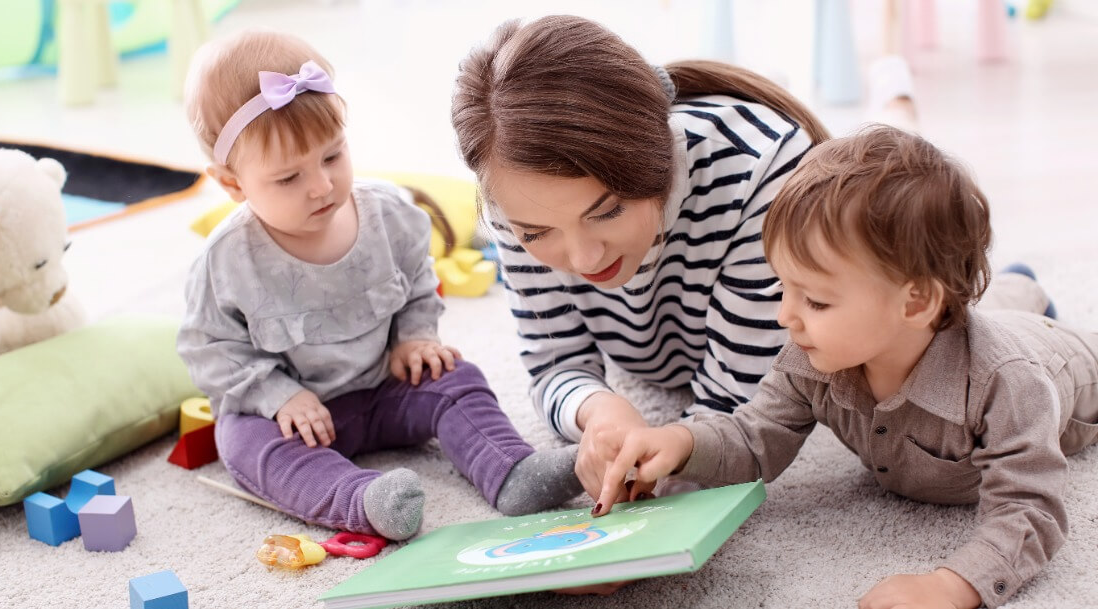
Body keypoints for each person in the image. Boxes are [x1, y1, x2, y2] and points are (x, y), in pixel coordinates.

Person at [591, 126, 1098, 609]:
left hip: (1061, 359)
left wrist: (955, 584)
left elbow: (1031, 506)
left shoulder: (1007, 384)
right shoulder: (811, 361)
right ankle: (1019, 283)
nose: (784, 316)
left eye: (814, 301)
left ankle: (1024, 292)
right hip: (961, 319)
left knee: (1019, 329)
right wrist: (681, 443)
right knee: (1000, 303)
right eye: (781, 288)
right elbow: (753, 437)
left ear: (916, 300)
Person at [176, 30, 582, 541]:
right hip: (294, 417)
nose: (321, 186)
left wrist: (414, 338)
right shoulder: (226, 260)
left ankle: (511, 471)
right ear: (232, 183)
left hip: (387, 385)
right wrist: (278, 396)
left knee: (457, 377)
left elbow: (416, 280)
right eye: (288, 178)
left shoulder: (390, 214)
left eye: (331, 156)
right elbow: (209, 348)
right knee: (242, 443)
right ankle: (365, 501)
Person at [450, 15, 831, 500]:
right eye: (538, 233)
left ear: (659, 158)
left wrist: (649, 502)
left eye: (607, 212)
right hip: (663, 356)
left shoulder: (762, 174)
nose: (585, 259)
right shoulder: (514, 189)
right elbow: (553, 362)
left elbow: (743, 414)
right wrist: (600, 411)